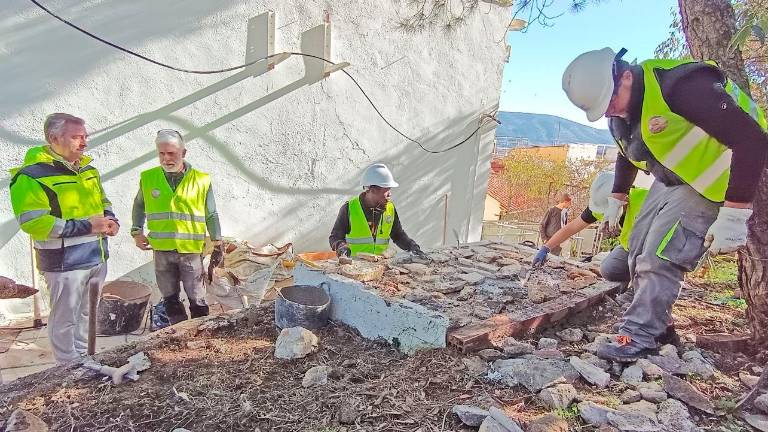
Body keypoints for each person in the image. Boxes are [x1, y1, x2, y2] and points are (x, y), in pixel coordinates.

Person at [562, 47, 768, 361]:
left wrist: (735, 211)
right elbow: (628, 150)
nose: (610, 111)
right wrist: (617, 196)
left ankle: (637, 336)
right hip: (674, 177)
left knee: (660, 256)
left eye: (611, 102)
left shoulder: (681, 87)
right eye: (604, 109)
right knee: (635, 248)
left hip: (716, 180)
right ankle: (660, 325)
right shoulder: (621, 112)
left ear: (625, 76)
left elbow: (752, 140)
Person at [9, 113, 118, 364]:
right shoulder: (30, 176)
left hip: (96, 256)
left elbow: (103, 201)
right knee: (65, 319)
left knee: (86, 315)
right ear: (54, 138)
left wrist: (111, 220)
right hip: (64, 263)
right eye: (76, 137)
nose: (84, 143)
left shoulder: (88, 170)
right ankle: (67, 368)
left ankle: (84, 360)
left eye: (85, 136)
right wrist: (87, 226)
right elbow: (34, 222)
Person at [130, 130, 224, 324]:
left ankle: (201, 331)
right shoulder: (148, 178)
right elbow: (139, 205)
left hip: (190, 251)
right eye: (161, 154)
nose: (166, 158)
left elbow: (211, 213)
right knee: (170, 298)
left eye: (171, 153)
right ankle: (178, 333)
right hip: (162, 251)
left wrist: (217, 240)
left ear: (183, 153)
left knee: (197, 298)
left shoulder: (201, 180)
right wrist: (137, 232)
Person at [533, 172, 648, 284]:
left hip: (652, 250)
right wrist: (546, 248)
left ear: (624, 200)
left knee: (646, 272)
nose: (604, 215)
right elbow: (572, 227)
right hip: (630, 248)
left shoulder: (645, 201)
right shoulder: (601, 205)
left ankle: (639, 287)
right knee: (609, 269)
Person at [330, 163, 426, 258]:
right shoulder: (349, 208)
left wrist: (413, 247)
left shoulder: (390, 208)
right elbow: (335, 237)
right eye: (386, 190)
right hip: (355, 265)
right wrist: (341, 246)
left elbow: (398, 235)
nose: (390, 194)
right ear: (372, 190)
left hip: (381, 264)